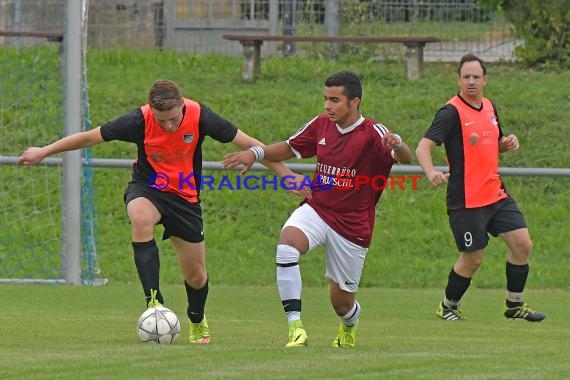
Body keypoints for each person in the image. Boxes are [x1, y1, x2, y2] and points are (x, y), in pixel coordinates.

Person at [19, 79, 307, 344]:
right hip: (148, 187)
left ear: (182, 106)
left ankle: (196, 319)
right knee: (141, 217)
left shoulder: (200, 116)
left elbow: (249, 143)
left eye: (173, 119)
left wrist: (286, 175)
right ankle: (153, 301)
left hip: (185, 198)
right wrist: (44, 151)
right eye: (162, 120)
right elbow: (89, 138)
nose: (168, 126)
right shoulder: (138, 120)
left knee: (196, 276)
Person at [222, 70, 413, 348]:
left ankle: (349, 324)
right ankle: (295, 327)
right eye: (325, 99)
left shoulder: (373, 133)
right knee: (287, 246)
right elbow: (288, 148)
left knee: (341, 304)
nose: (327, 106)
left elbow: (404, 159)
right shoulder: (321, 125)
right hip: (318, 208)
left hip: (353, 225)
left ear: (354, 102)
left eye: (335, 100)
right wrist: (256, 153)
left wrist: (399, 143)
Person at [415, 53, 545, 322]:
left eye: (476, 77)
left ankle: (514, 306)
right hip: (466, 199)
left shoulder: (489, 107)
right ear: (458, 80)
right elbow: (423, 146)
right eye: (466, 77)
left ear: (485, 80)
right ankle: (448, 306)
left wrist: (505, 144)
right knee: (473, 259)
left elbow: (490, 144)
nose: (471, 81)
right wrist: (431, 172)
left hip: (495, 193)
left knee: (522, 245)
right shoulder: (450, 112)